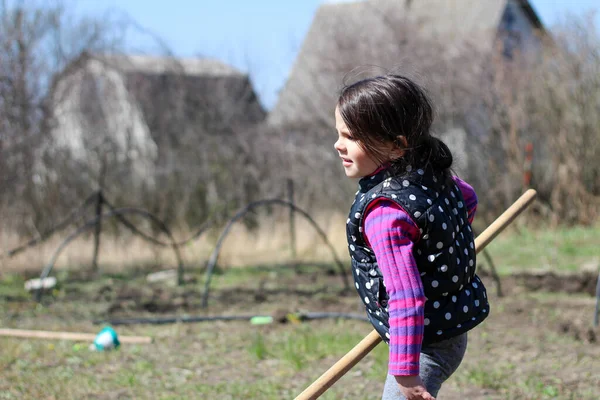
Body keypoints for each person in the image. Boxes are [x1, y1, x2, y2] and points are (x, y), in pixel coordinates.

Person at [333, 74, 489, 400]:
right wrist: (445, 244)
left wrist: (405, 372)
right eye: (339, 134)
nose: (338, 144)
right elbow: (468, 198)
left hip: (428, 344)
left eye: (350, 137)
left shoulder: (385, 215)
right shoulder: (429, 174)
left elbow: (406, 296)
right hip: (444, 328)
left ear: (396, 146)